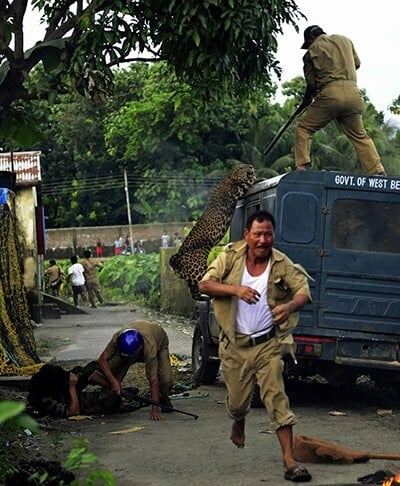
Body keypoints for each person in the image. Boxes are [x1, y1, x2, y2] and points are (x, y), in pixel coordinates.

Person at [198, 210, 312, 483]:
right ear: (247, 235)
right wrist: (236, 290)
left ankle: (289, 462)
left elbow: (303, 291)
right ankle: (239, 420)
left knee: (276, 398)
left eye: (268, 234)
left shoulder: (281, 263)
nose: (263, 240)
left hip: (267, 345)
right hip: (234, 346)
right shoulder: (230, 257)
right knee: (237, 404)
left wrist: (289, 306)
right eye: (258, 234)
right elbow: (204, 284)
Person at [294, 25, 387, 177]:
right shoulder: (345, 40)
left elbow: (311, 84)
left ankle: (301, 168)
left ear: (311, 38)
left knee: (303, 129)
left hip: (330, 94)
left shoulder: (311, 52)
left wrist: (306, 102)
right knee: (360, 136)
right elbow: (356, 64)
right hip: (354, 94)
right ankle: (377, 171)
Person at [88, 321, 174, 421]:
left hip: (159, 342)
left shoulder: (150, 348)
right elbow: (102, 360)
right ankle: (107, 395)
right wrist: (113, 381)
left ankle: (162, 398)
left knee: (165, 381)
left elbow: (153, 379)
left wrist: (154, 409)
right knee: (106, 370)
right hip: (127, 350)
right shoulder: (117, 338)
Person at [27, 363, 130, 418]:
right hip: (77, 403)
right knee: (110, 402)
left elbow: (86, 372)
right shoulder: (46, 400)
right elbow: (74, 412)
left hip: (66, 393)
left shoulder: (51, 380)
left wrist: (111, 384)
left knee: (91, 368)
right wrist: (72, 388)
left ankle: (117, 389)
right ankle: (117, 394)